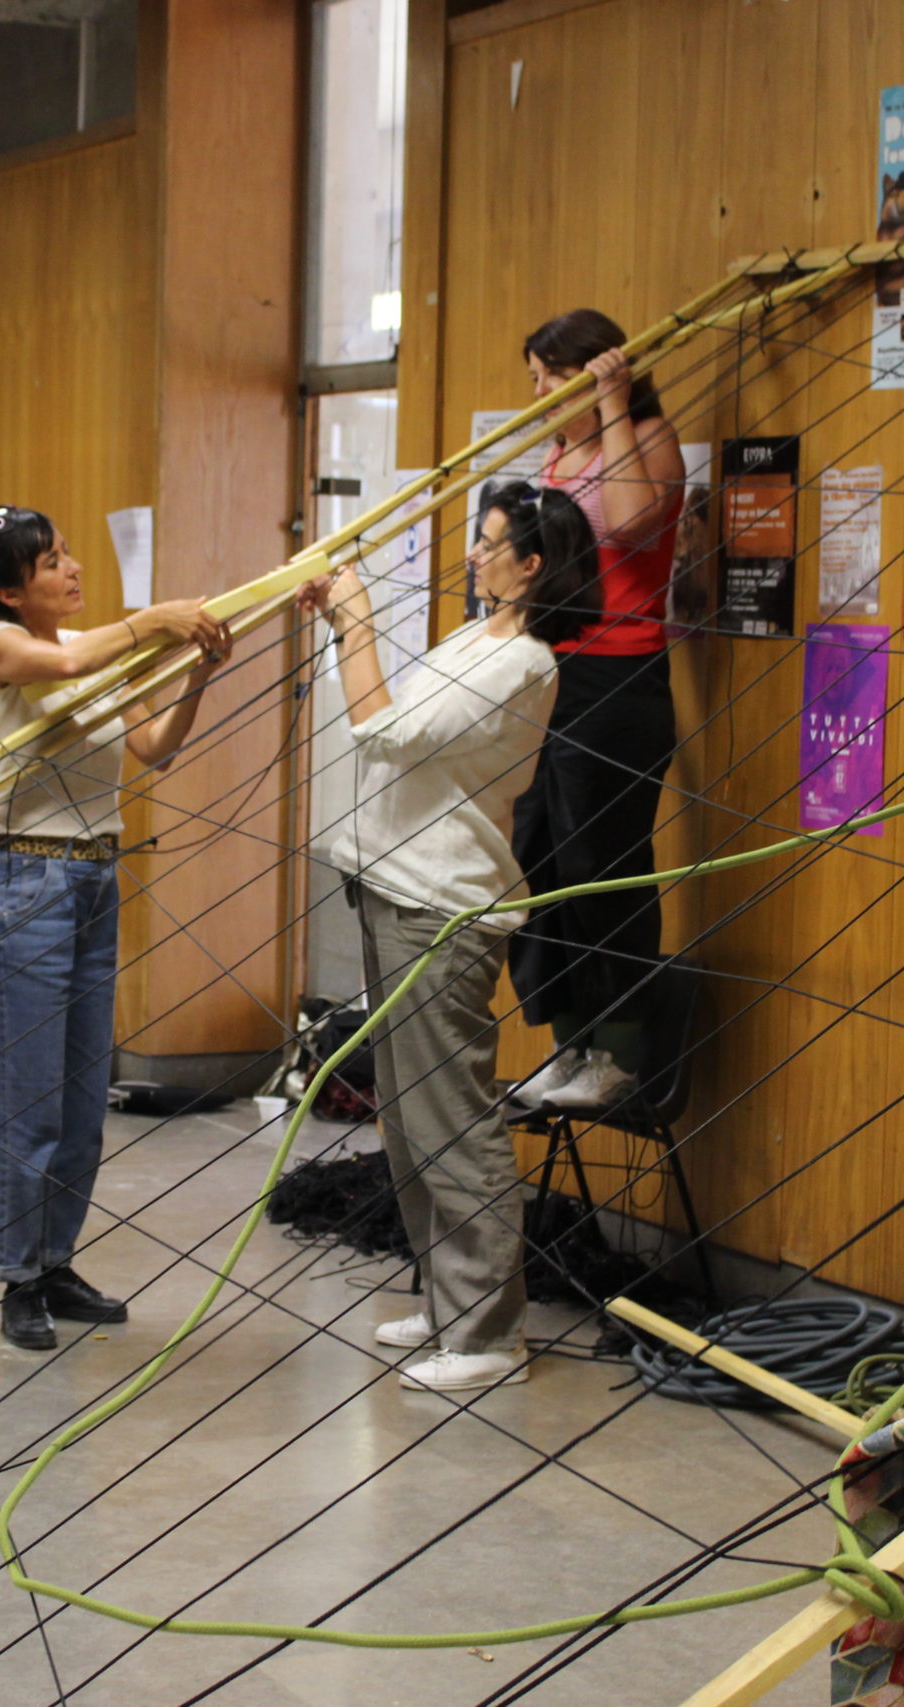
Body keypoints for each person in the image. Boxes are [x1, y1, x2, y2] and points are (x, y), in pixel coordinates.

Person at [313, 481, 596, 1393]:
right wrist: (342, 627)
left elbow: (388, 731)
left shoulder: (525, 663)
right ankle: (449, 1301)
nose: (473, 556)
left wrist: (356, 623)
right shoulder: (475, 639)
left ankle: (488, 1335)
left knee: (452, 1118)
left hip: (444, 907)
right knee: (408, 1118)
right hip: (393, 889)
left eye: (489, 544)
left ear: (533, 564)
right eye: (476, 542)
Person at [0, 505, 230, 1351]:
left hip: (94, 879)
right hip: (21, 882)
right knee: (22, 1102)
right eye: (50, 562)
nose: (70, 568)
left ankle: (54, 1257)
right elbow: (67, 657)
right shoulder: (3, 649)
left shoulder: (95, 659)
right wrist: (156, 622)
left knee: (77, 1100)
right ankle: (16, 1276)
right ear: (8, 590)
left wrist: (196, 669)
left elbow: (152, 749)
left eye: (67, 554)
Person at [509, 308, 687, 1112]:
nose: (541, 393)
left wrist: (614, 404)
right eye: (536, 379)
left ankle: (618, 1050)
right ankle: (569, 1036)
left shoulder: (647, 436)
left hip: (622, 681)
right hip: (556, 673)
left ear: (595, 371)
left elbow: (632, 518)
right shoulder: (557, 453)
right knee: (542, 858)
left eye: (552, 376)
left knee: (602, 863)